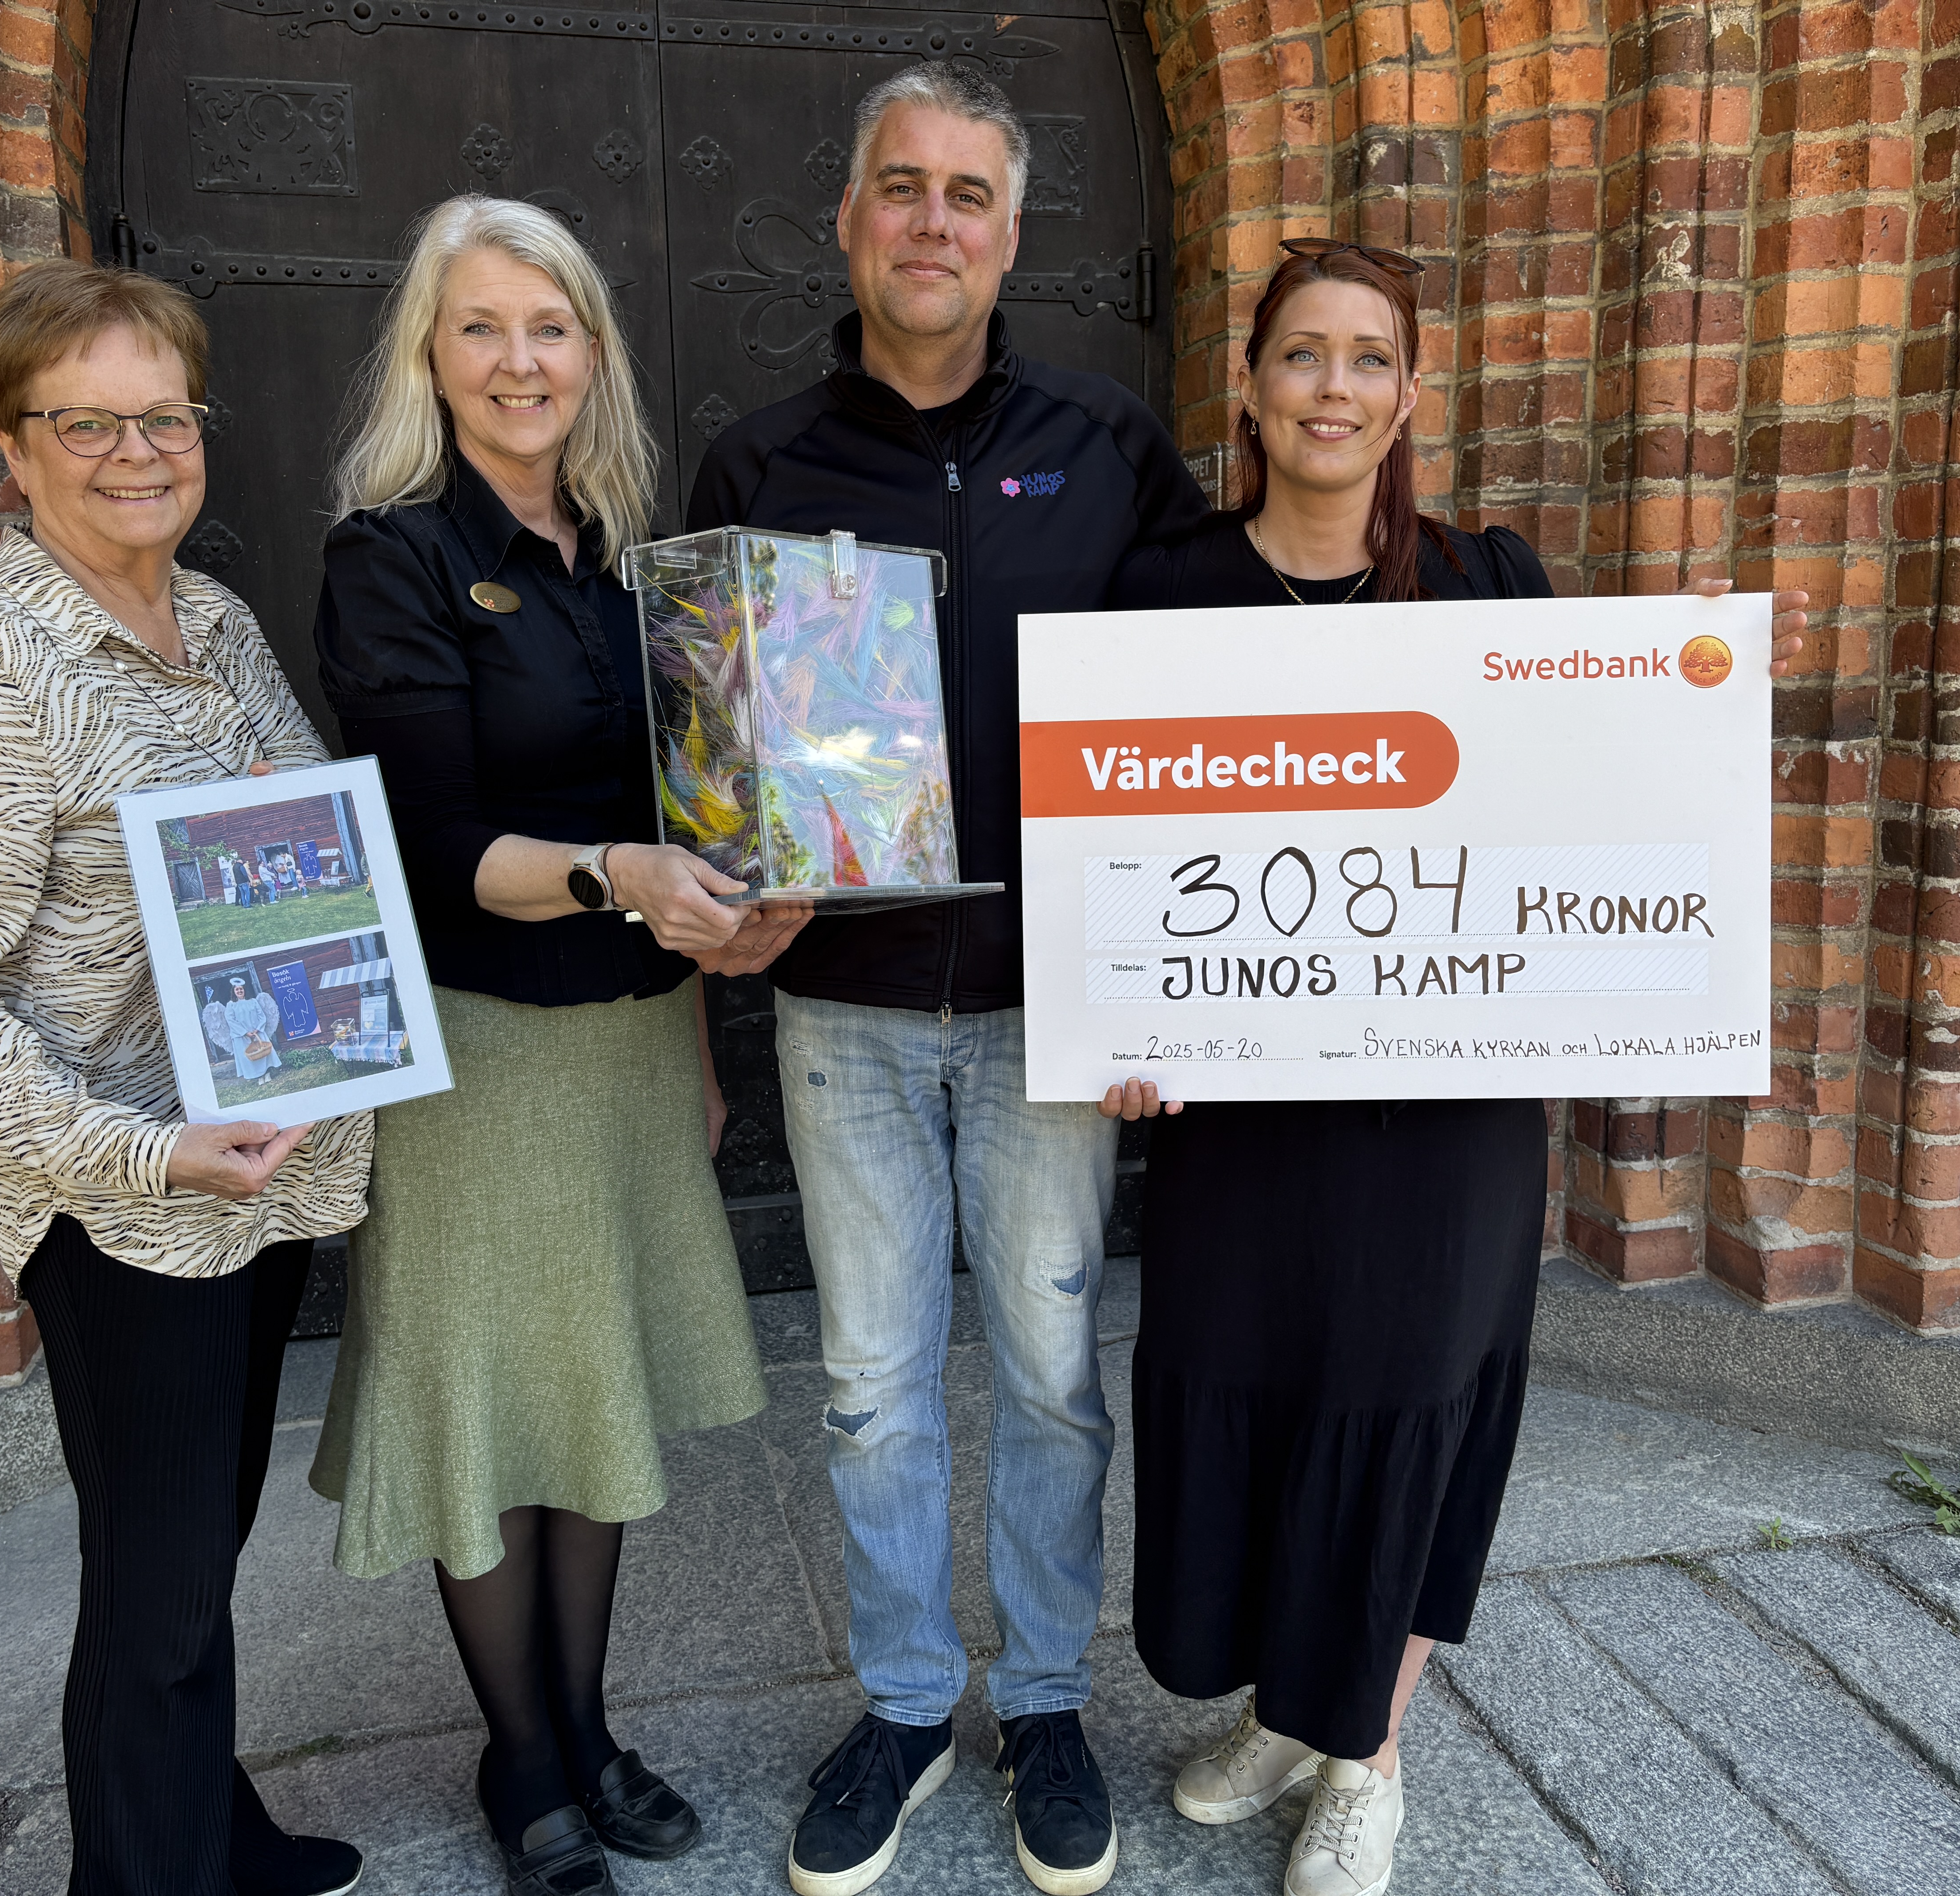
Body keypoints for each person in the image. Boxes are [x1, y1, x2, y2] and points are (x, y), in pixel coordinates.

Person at [1100, 240, 1811, 1896]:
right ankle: (1296, 1704)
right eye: (1302, 357)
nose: (1333, 389)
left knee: (1407, 1403)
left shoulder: (1489, 587)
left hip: (1445, 1114)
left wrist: (1684, 692)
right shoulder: (1162, 594)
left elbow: (1588, 799)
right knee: (1260, 1383)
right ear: (1254, 390)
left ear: (1410, 394)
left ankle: (1373, 1753)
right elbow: (1113, 854)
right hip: (1245, 1111)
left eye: (1367, 360)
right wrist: (1117, 1022)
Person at [688, 61, 1207, 1896]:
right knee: (871, 1383)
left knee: (1056, 1377)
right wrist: (707, 942)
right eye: (898, 188)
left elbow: (1203, 716)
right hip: (841, 1014)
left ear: (1011, 233)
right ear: (848, 219)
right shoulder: (758, 465)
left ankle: (1046, 1698)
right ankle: (911, 1702)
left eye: (966, 195)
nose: (930, 222)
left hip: (1053, 1012)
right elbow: (705, 765)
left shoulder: (1112, 441)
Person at [0, 259, 374, 1896]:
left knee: (193, 1563)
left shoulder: (209, 619)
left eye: (167, 416)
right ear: (13, 444)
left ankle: (208, 1833)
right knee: (153, 1598)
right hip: (130, 1204)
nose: (140, 451)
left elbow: (293, 861)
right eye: (90, 422)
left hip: (263, 1166)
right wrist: (135, 1152)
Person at [307, 194, 806, 1896]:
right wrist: (617, 873)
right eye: (482, 327)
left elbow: (695, 816)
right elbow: (436, 846)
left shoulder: (626, 561)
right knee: (487, 1413)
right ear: (429, 357)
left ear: (593, 351)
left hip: (630, 1043)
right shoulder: (393, 555)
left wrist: (714, 973)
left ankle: (587, 1729)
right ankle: (522, 1759)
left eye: (552, 326)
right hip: (475, 1053)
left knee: (595, 1390)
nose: (521, 360)